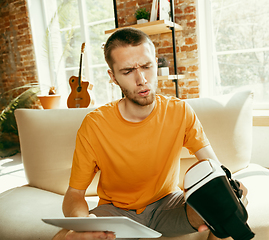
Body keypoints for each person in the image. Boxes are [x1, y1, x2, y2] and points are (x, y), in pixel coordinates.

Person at [53, 27, 247, 240]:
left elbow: (213, 168)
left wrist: (232, 192)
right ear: (113, 77)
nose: (141, 79)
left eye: (147, 66)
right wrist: (83, 222)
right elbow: (74, 194)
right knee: (66, 237)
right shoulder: (94, 125)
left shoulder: (180, 111)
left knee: (228, 208)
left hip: (168, 205)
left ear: (156, 63)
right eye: (127, 71)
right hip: (116, 212)